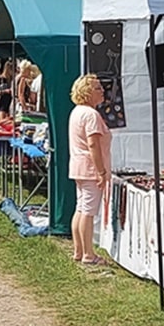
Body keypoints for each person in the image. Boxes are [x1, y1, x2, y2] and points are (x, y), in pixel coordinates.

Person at [68, 73, 112, 265]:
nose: (102, 91)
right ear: (87, 92)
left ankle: (79, 250)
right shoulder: (91, 115)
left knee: (81, 208)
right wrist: (101, 171)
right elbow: (93, 144)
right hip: (89, 168)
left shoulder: (77, 111)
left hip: (78, 165)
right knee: (88, 210)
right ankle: (88, 254)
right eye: (98, 88)